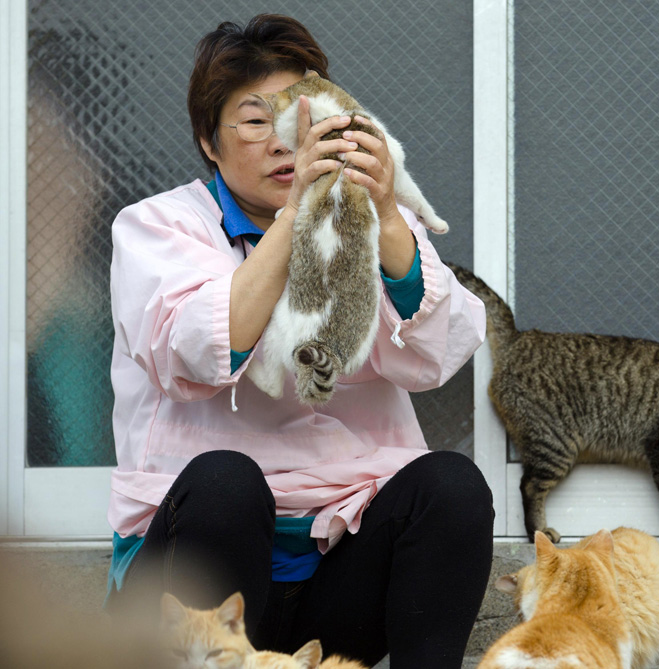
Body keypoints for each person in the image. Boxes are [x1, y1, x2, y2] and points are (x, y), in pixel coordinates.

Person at [104, 14, 493, 669]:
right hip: (195, 585)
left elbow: (442, 349)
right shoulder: (157, 227)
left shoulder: (364, 221)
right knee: (227, 482)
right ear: (208, 138)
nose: (286, 141)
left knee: (453, 486)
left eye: (300, 119)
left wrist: (389, 216)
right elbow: (199, 346)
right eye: (257, 122)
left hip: (335, 580)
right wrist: (298, 215)